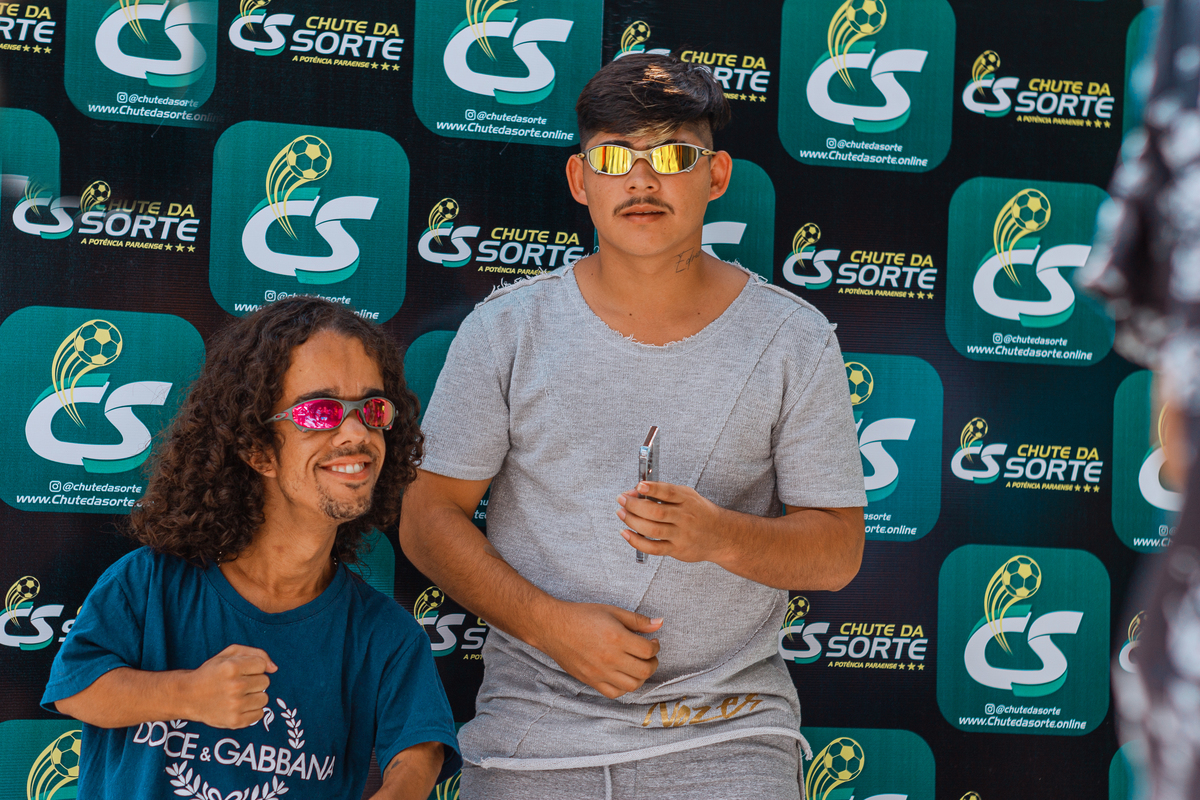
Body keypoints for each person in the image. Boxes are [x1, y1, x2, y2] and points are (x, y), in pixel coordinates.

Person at [399, 54, 865, 799]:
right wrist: (550, 626)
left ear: (715, 176)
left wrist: (718, 535)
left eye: (673, 156)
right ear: (580, 180)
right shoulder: (506, 329)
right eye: (615, 157)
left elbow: (837, 551)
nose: (642, 180)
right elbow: (427, 519)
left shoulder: (794, 338)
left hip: (729, 738)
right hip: (535, 739)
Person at [41, 297, 461, 800]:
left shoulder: (386, 634)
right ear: (257, 449)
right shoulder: (147, 583)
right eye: (320, 411)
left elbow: (422, 749)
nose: (357, 433)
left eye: (372, 410)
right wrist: (189, 694)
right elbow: (75, 690)